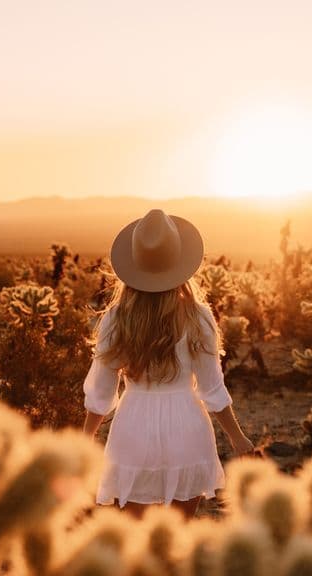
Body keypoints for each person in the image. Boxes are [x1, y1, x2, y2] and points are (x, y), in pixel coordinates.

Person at [82, 208, 254, 519]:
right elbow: (212, 389)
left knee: (137, 543)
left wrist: (85, 437)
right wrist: (236, 436)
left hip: (133, 431)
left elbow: (100, 392)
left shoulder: (116, 318)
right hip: (186, 431)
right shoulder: (198, 316)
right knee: (176, 537)